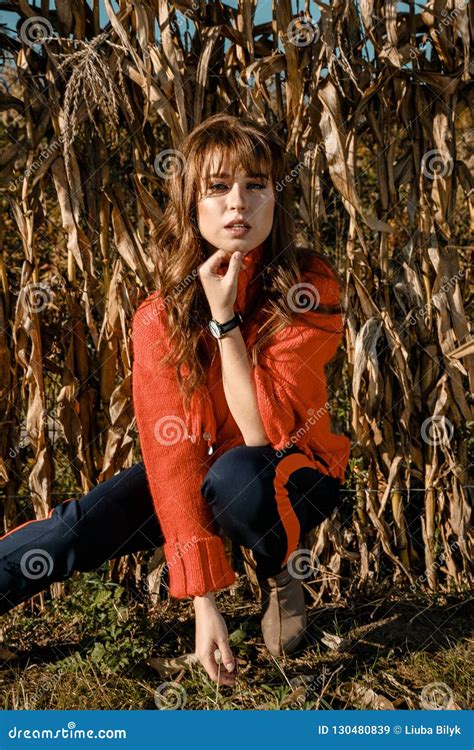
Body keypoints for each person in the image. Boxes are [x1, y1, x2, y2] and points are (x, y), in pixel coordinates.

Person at [0, 114, 351, 686]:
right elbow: (174, 452)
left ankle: (281, 572)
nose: (238, 201)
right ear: (192, 204)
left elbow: (264, 431)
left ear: (275, 199)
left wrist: (226, 321)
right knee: (72, 530)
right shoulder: (159, 316)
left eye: (256, 184)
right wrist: (203, 603)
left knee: (240, 473)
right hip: (204, 471)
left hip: (294, 470)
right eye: (217, 187)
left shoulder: (307, 284)